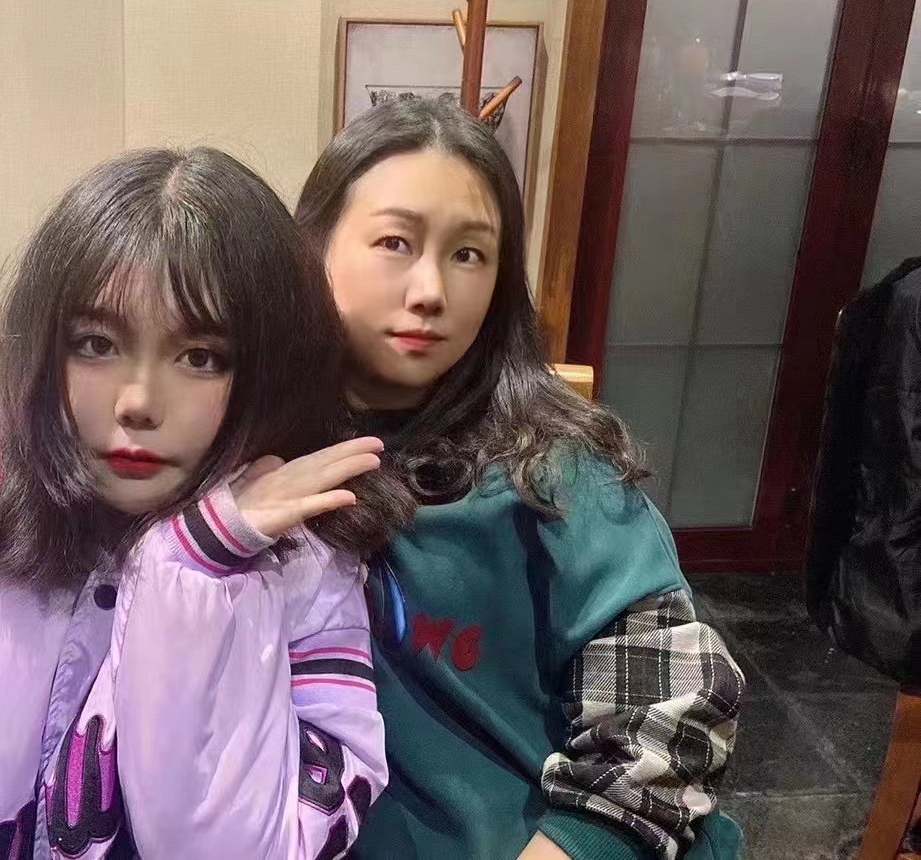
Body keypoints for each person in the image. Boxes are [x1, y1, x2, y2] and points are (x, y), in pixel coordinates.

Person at [294, 98, 746, 860]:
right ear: (312, 246)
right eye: (395, 242)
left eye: (469, 254)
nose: (430, 290)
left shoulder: (553, 470)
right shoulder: (255, 453)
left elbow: (669, 718)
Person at [0, 147, 409, 859]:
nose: (137, 402)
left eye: (199, 357)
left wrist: (189, 565)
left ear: (268, 368)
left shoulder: (305, 572)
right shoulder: (17, 517)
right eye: (96, 343)